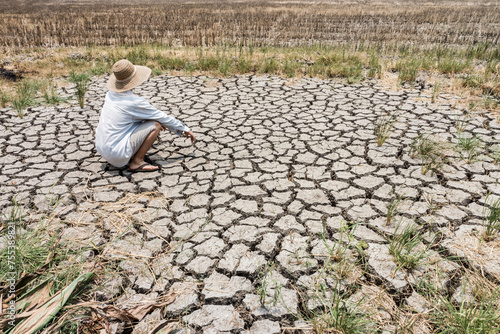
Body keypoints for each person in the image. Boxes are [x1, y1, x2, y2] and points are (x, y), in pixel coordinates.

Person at [95, 59, 195, 172]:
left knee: (149, 121)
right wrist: (184, 128)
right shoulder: (133, 102)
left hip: (103, 149)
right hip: (117, 154)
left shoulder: (110, 94)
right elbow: (161, 117)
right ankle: (137, 162)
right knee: (156, 125)